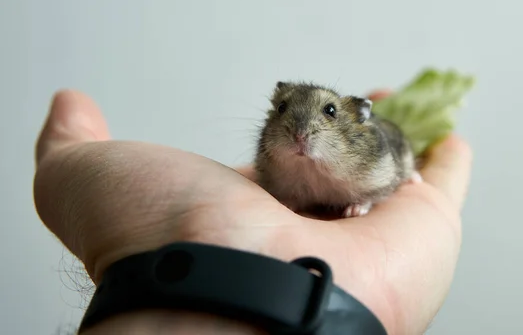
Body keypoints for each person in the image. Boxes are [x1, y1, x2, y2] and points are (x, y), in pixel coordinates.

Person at [33, 89, 472, 335]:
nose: (300, 131)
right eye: (284, 112)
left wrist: (369, 200)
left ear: (357, 117)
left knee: (401, 155)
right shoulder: (271, 170)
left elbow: (386, 175)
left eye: (328, 113)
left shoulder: (371, 154)